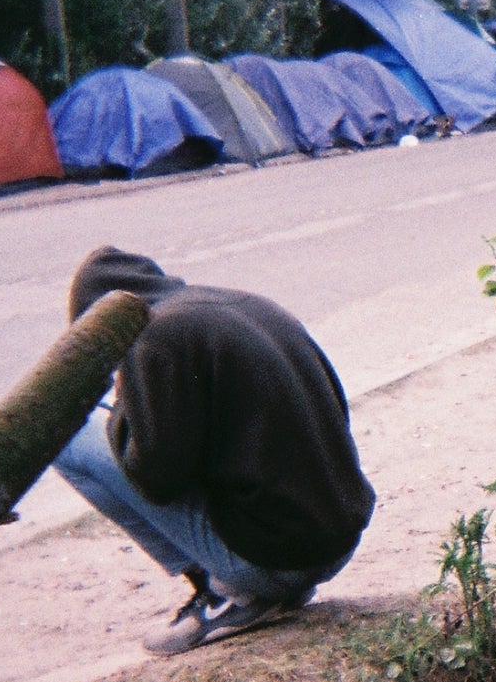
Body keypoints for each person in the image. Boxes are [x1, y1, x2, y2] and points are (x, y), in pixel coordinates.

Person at [53, 247, 375, 655]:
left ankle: (223, 592)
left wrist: (124, 405)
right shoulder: (243, 304)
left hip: (276, 564)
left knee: (70, 436)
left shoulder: (152, 338)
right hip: (337, 541)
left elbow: (156, 480)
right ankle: (242, 584)